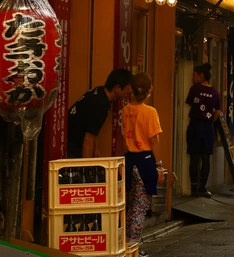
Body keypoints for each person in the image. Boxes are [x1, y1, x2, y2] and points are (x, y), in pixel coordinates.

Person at [122, 73, 164, 242]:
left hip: (129, 160)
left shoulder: (125, 110)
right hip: (145, 161)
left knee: (130, 205)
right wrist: (159, 166)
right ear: (150, 91)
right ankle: (134, 246)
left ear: (130, 89)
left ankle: (125, 243)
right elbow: (154, 142)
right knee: (140, 207)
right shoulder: (150, 112)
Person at [67, 68, 134, 158]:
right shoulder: (101, 103)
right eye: (128, 88)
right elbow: (88, 140)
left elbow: (93, 127)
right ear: (117, 88)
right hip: (69, 144)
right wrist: (87, 167)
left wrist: (96, 148)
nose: (129, 91)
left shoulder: (100, 91)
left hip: (70, 138)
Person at [185, 63, 222, 197]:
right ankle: (203, 188)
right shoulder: (215, 93)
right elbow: (217, 112)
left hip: (195, 125)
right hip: (207, 127)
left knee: (194, 157)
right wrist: (210, 120)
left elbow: (189, 103)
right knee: (206, 158)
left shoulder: (194, 89)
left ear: (201, 75)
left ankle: (194, 188)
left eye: (194, 75)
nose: (192, 78)